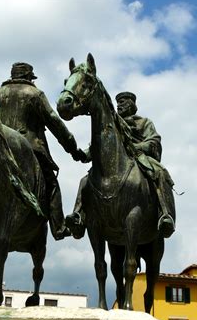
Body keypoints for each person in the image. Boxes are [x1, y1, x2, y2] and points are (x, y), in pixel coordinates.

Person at [0, 62, 85, 240]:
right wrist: (73, 149)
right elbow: (54, 122)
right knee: (51, 185)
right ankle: (58, 227)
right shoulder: (34, 94)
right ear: (29, 77)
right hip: (30, 149)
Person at [66, 91, 175, 238]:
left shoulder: (144, 122)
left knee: (160, 173)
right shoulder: (111, 124)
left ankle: (165, 214)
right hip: (115, 162)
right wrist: (84, 154)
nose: (120, 105)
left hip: (140, 157)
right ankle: (78, 216)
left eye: (124, 102)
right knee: (85, 180)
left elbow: (153, 141)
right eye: (118, 102)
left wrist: (137, 147)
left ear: (133, 104)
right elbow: (100, 144)